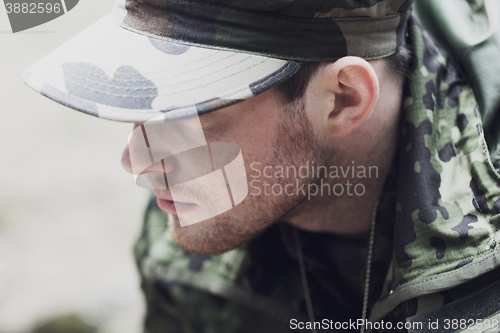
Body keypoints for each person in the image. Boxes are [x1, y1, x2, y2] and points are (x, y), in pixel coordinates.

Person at [22, 0, 500, 331]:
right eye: (144, 106)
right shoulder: (197, 205)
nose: (138, 162)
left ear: (343, 99)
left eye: (190, 111)